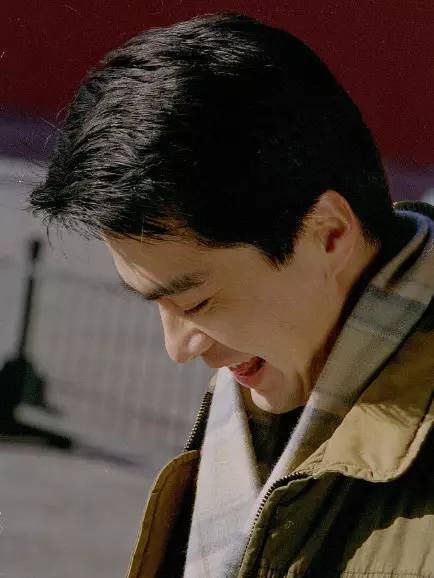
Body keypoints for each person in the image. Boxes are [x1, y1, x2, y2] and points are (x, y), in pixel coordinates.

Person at [28, 12, 434, 578]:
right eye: (156, 304)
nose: (178, 349)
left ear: (328, 235)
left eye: (196, 303)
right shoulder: (250, 413)